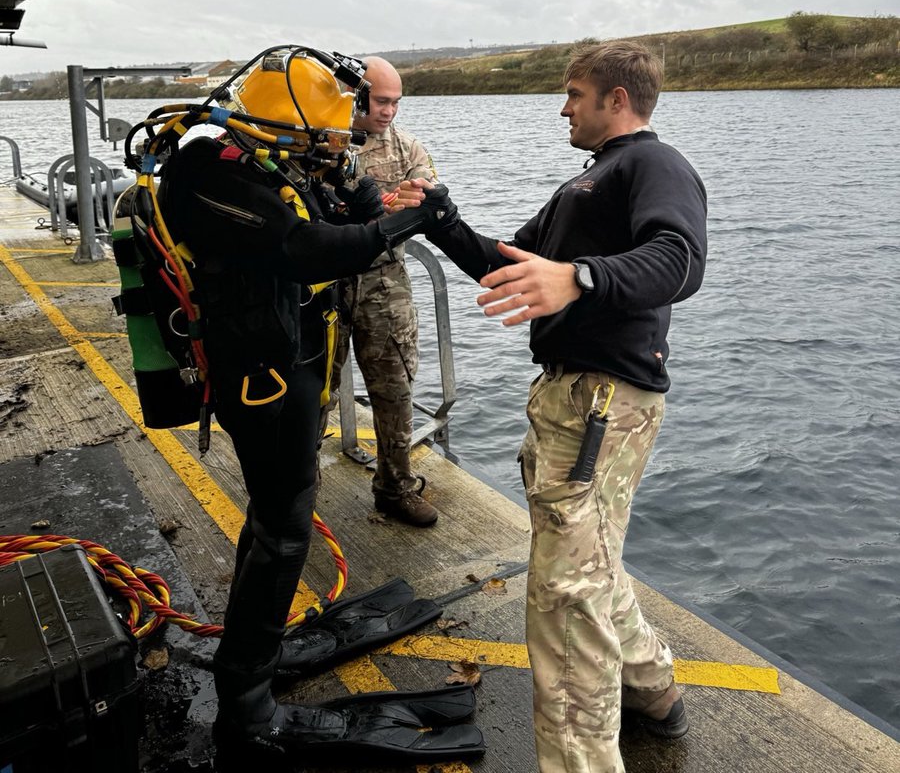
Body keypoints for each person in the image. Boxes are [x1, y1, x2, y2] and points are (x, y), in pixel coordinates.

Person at [127, 46, 475, 766]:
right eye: (328, 134)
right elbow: (312, 248)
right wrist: (407, 225)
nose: (338, 144)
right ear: (290, 124)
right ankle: (246, 709)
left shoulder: (273, 163)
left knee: (278, 511)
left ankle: (257, 654)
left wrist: (364, 194)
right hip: (256, 376)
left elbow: (346, 209)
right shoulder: (209, 168)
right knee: (284, 527)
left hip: (287, 360)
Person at [412, 40, 708, 773]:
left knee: (564, 596)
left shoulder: (652, 163)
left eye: (574, 93)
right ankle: (653, 690)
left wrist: (579, 277)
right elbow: (510, 266)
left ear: (617, 99)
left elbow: (680, 259)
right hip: (574, 400)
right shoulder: (588, 183)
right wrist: (439, 218)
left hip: (603, 401)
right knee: (589, 564)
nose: (563, 106)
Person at [333, 55, 439, 526]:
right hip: (324, 280)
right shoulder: (322, 142)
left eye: (396, 102)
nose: (389, 111)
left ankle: (396, 487)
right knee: (313, 386)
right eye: (381, 101)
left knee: (395, 387)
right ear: (356, 95)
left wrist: (402, 210)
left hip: (384, 282)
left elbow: (428, 203)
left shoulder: (407, 147)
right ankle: (297, 488)